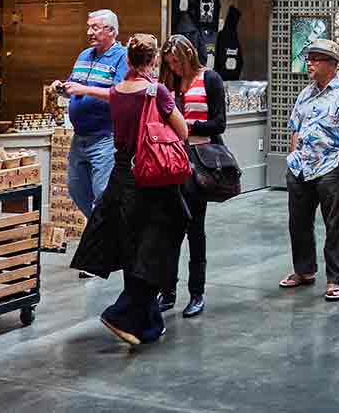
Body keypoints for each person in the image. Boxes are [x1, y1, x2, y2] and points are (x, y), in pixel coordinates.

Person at [70, 34, 190, 347]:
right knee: (159, 244)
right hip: (151, 179)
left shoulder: (117, 91)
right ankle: (122, 312)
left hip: (121, 175)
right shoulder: (156, 91)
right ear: (153, 62)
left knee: (133, 246)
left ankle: (149, 323)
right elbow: (183, 130)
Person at [279, 39, 339, 302]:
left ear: (332, 64)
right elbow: (295, 126)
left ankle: (334, 280)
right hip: (301, 169)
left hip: (329, 169)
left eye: (316, 59)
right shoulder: (305, 93)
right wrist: (294, 155)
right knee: (298, 223)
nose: (310, 63)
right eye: (309, 58)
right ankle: (304, 271)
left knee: (333, 226)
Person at [163, 33, 227, 320]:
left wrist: (188, 125)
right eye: (170, 63)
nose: (174, 67)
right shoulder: (171, 83)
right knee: (169, 229)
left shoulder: (210, 79)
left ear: (188, 55)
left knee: (195, 228)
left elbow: (219, 123)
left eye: (177, 61)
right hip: (172, 160)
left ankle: (196, 293)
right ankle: (167, 291)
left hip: (199, 161)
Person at [55, 10, 129, 222]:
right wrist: (61, 88)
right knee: (76, 190)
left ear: (112, 31)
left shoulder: (122, 57)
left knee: (103, 194)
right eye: (88, 27)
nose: (89, 32)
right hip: (79, 138)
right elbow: (73, 86)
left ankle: (108, 243)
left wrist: (84, 90)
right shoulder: (84, 55)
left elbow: (120, 95)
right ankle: (102, 234)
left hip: (105, 138)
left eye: (95, 27)